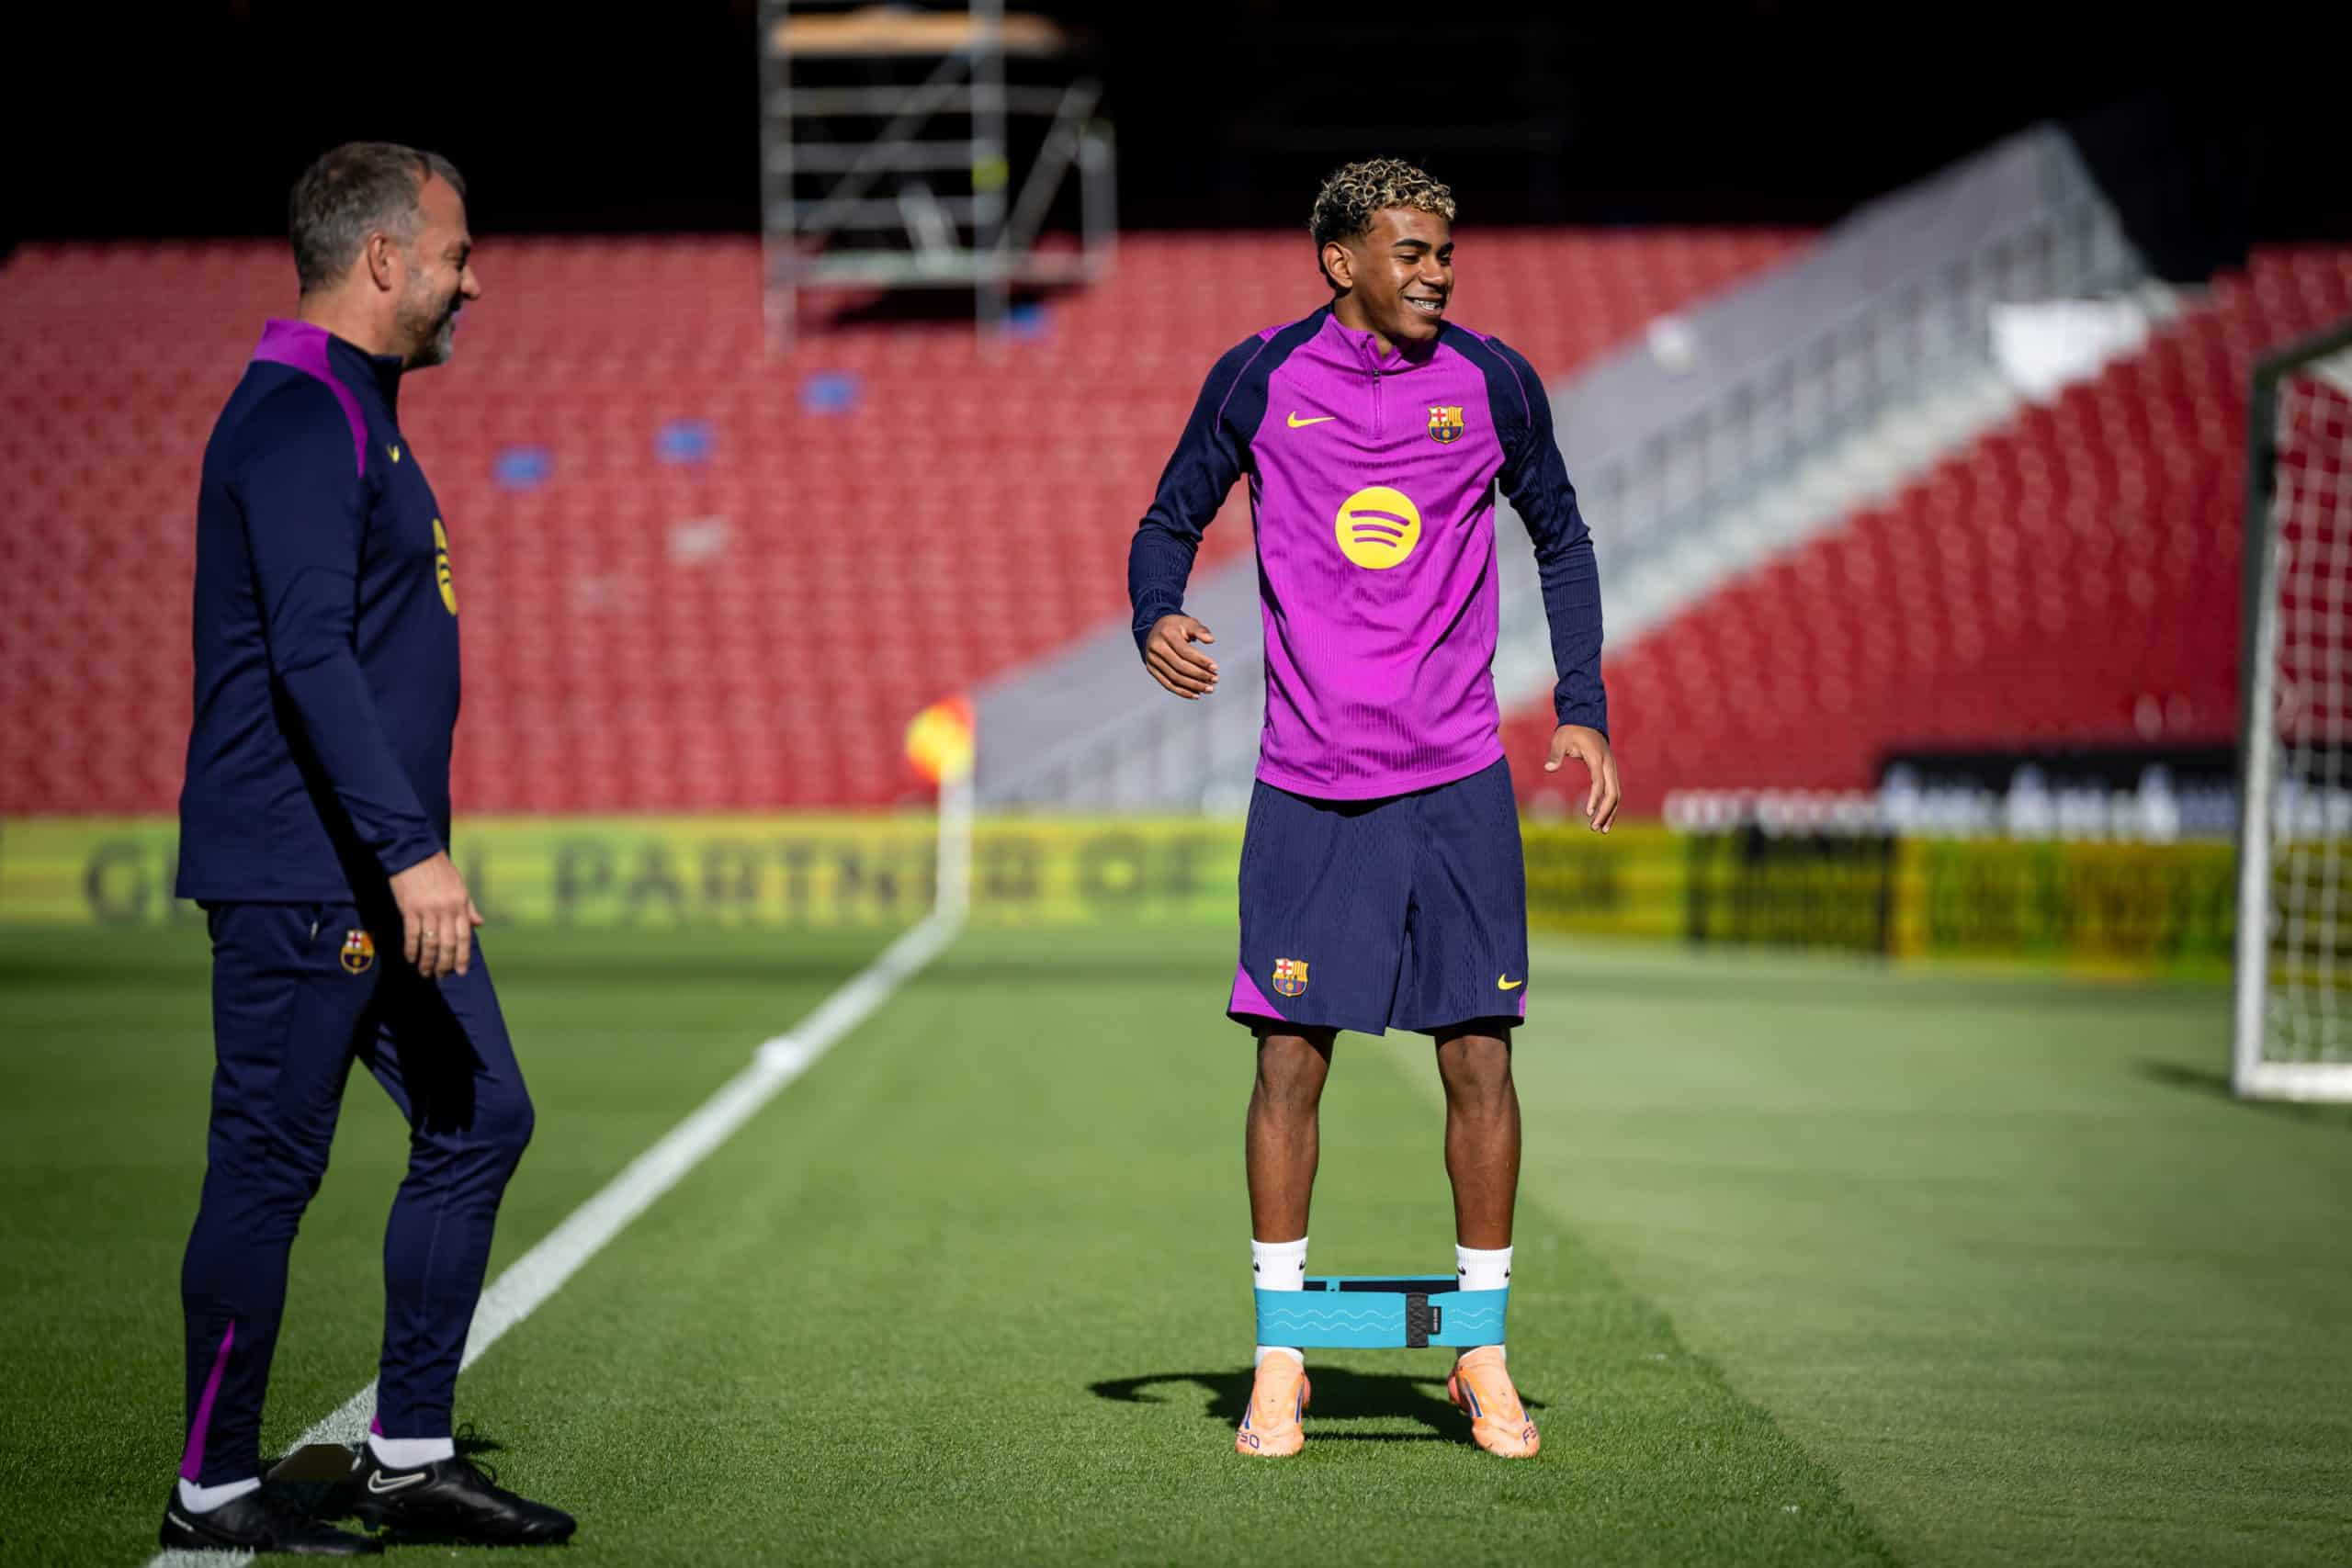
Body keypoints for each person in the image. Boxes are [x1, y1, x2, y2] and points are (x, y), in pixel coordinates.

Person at [1127, 157, 1621, 1461]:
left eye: (1446, 252)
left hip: (1457, 780)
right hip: (1309, 782)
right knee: (1289, 1062)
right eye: (1413, 252)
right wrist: (1154, 611)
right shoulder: (1259, 377)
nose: (1438, 273)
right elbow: (1167, 521)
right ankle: (1282, 1359)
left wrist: (1583, 703)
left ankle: (1480, 1355)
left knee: (1481, 1060)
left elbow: (1563, 538)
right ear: (1341, 261)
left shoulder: (1495, 382)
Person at [164, 141, 573, 1553]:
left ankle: (407, 1456)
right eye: (456, 256)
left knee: (483, 1117)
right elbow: (310, 655)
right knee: (268, 1173)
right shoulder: (299, 414)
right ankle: (212, 1488)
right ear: (384, 258)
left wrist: (405, 856)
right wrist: (409, 853)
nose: (474, 282)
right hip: (307, 872)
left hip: (371, 873)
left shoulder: (357, 410)